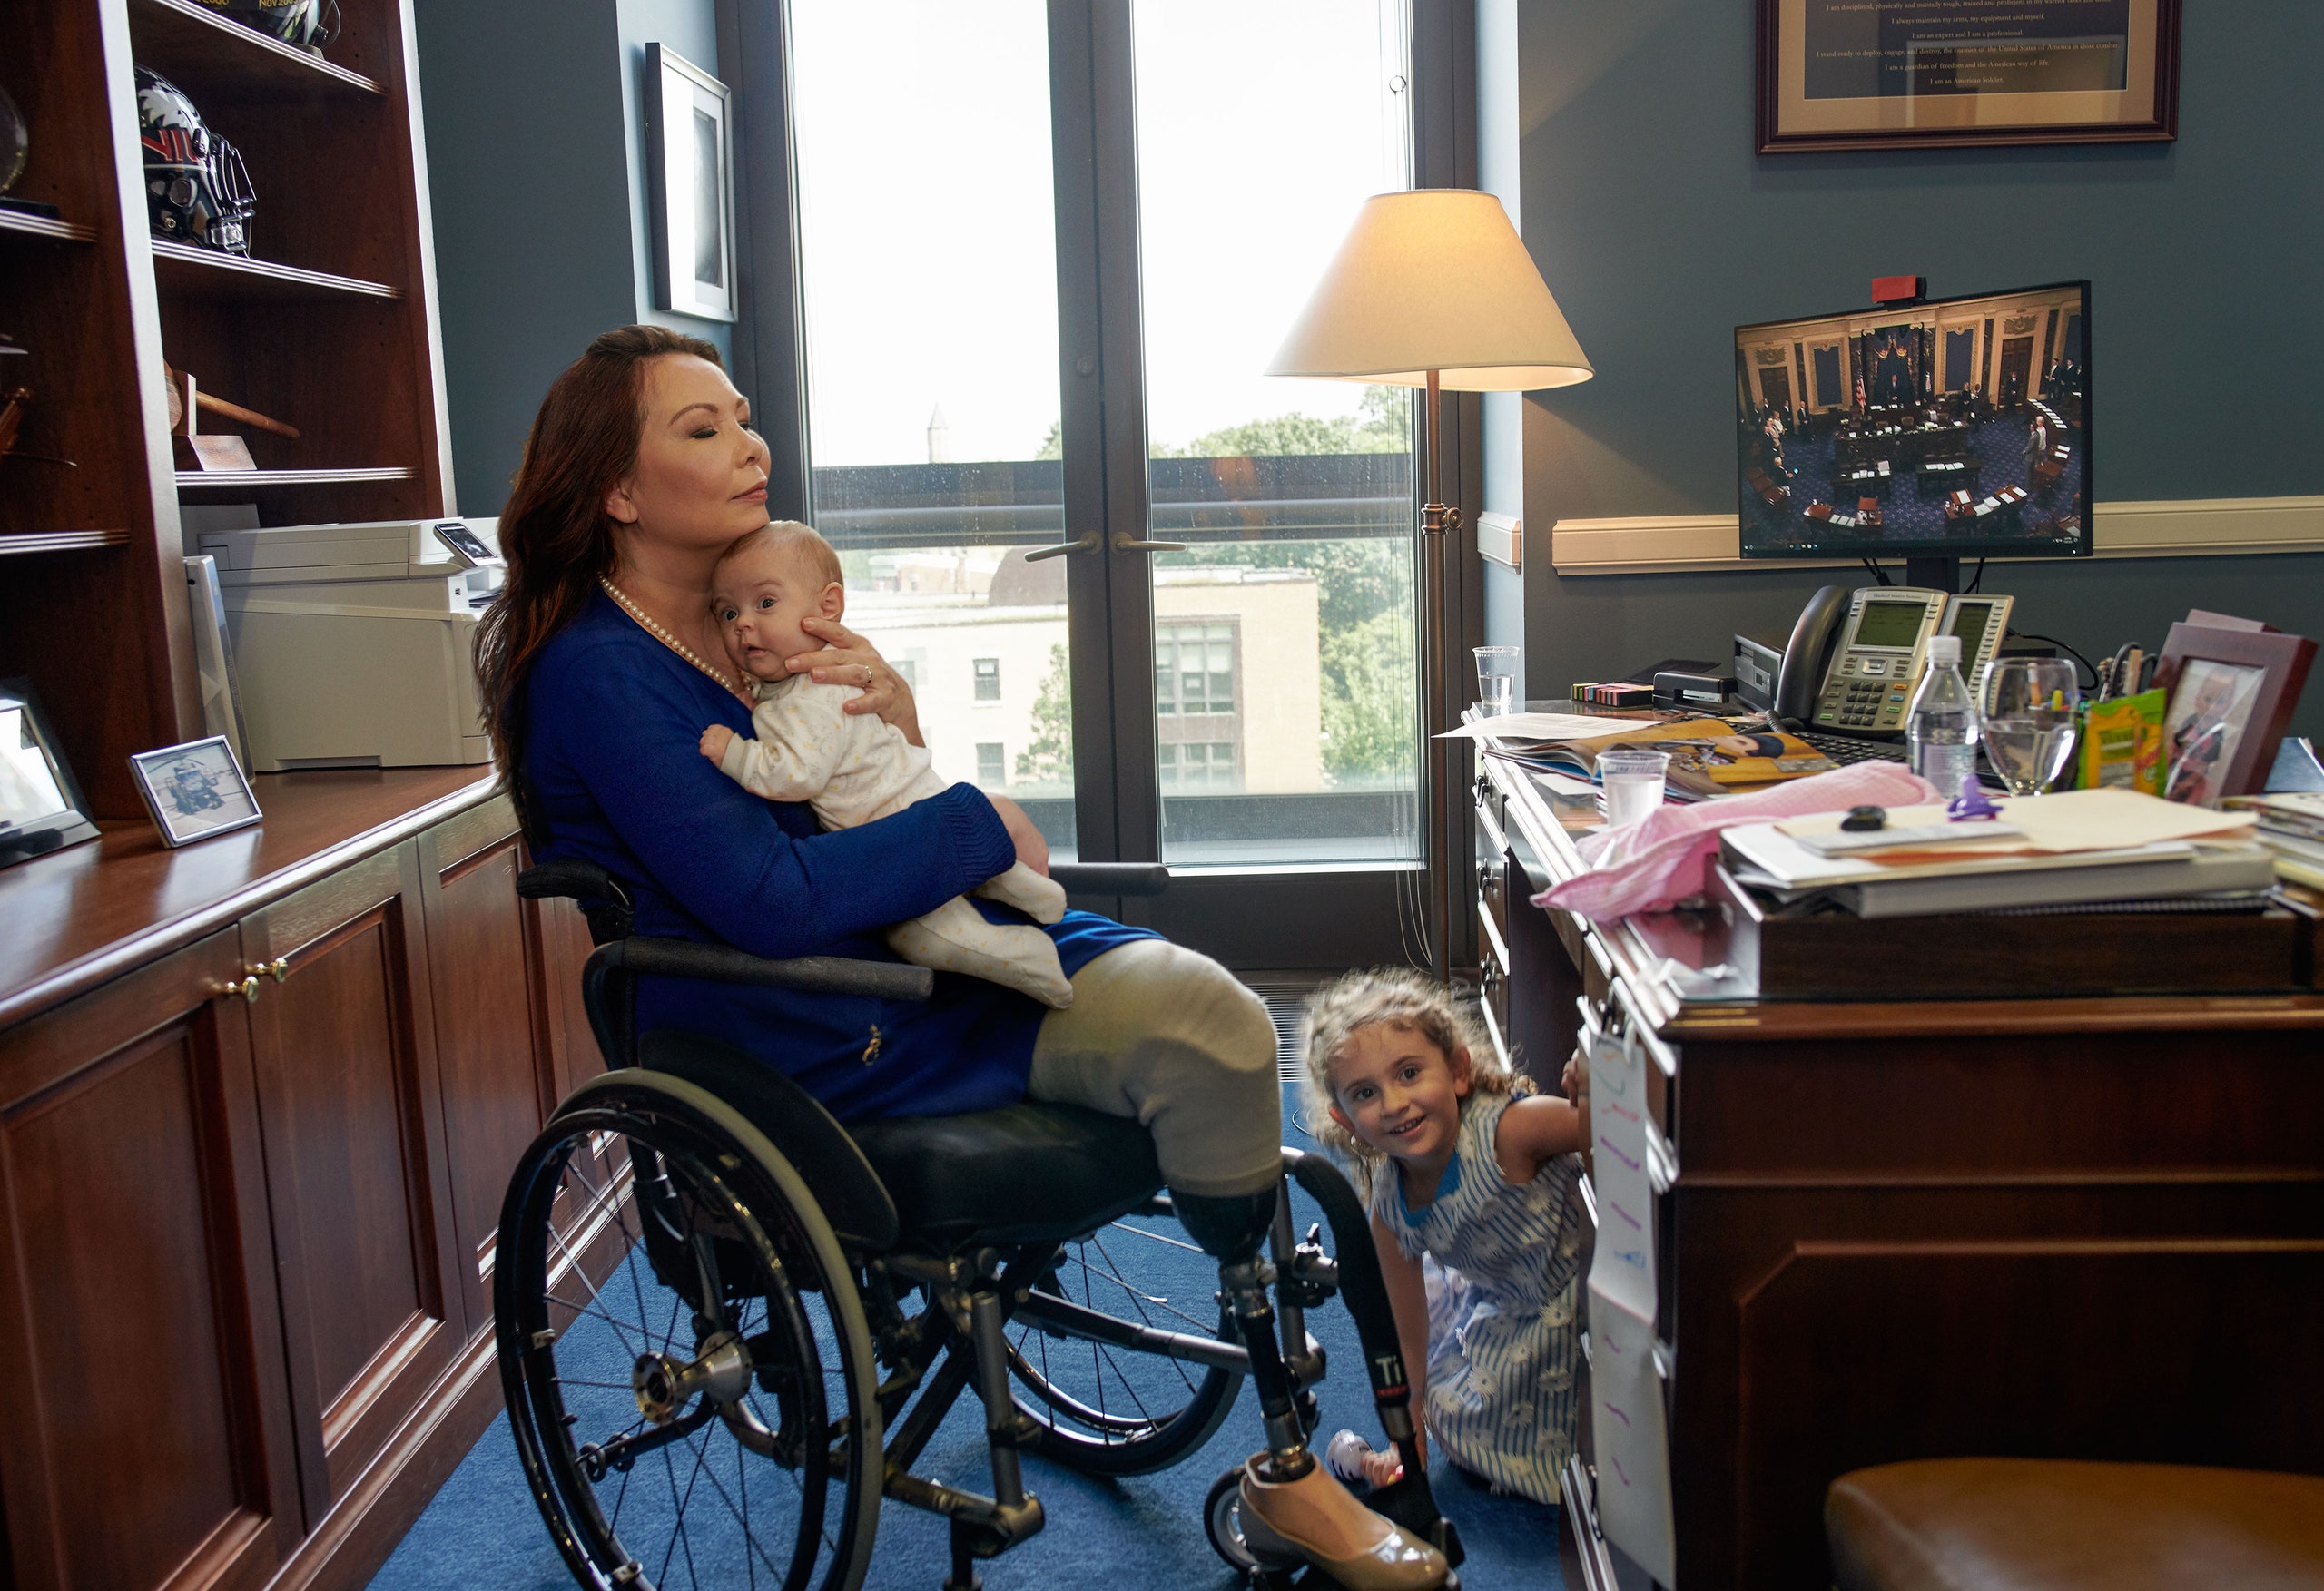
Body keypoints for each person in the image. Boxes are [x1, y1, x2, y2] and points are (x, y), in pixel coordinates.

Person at [473, 325, 1445, 1590]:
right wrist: (977, 821)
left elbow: (858, 793)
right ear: (614, 488)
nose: (749, 442)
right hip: (809, 1029)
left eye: (745, 415)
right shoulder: (602, 676)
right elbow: (767, 902)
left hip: (923, 964)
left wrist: (905, 724)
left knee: (1213, 1023)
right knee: (1204, 1034)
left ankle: (1278, 1430)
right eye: (702, 427)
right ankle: (1283, 1437)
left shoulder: (752, 616)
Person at [697, 519, 1073, 1007]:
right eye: (727, 614)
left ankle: (1027, 958)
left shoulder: (807, 697)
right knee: (984, 869)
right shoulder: (822, 674)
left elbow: (793, 775)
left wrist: (735, 753)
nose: (743, 623)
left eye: (765, 604)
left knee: (926, 938)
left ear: (827, 607)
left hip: (892, 833)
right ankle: (1037, 896)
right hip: (920, 793)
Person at [1299, 967, 1586, 1507]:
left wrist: (1590, 1090)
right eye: (1365, 1092)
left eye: (1409, 1073)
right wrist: (1407, 1439)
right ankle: (1369, 1459)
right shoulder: (1389, 1208)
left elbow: (1612, 1132)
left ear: (1457, 1070)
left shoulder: (1511, 1131)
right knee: (1451, 1410)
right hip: (1508, 1306)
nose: (1392, 1104)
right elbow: (1408, 1334)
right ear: (1345, 1118)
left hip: (1585, 1290)